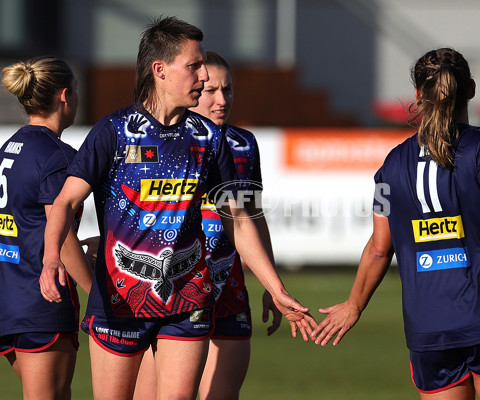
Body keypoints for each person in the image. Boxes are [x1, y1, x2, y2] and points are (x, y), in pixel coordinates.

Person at [40, 16, 316, 400]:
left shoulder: (209, 137)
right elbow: (66, 201)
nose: (203, 76)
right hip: (121, 300)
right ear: (160, 71)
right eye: (194, 66)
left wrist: (276, 287)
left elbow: (237, 219)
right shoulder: (114, 131)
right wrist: (52, 256)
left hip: (189, 297)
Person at [311, 48, 480, 400]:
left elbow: (378, 248)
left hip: (430, 330)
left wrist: (354, 304)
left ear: (418, 95)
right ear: (470, 89)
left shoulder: (390, 165)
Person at [132, 51, 281, 400]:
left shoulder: (244, 144)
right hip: (172, 287)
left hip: (227, 285)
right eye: (212, 89)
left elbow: (252, 218)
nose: (221, 99)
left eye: (228, 90)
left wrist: (273, 286)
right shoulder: (161, 141)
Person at [0, 56, 93, 399]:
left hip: (10, 300)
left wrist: (83, 245)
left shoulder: (9, 149)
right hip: (42, 303)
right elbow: (61, 233)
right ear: (65, 96)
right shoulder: (58, 156)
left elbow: (28, 226)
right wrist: (96, 296)